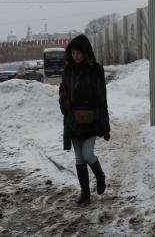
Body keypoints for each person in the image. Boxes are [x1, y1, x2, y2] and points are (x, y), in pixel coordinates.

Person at [59, 34, 111, 204]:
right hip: (74, 120)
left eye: (79, 53)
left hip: (91, 120)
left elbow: (102, 96)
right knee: (79, 158)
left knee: (88, 154)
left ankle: (100, 175)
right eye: (73, 53)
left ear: (86, 52)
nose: (76, 56)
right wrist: (65, 104)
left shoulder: (96, 69)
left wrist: (105, 123)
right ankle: (85, 193)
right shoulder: (68, 70)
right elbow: (63, 90)